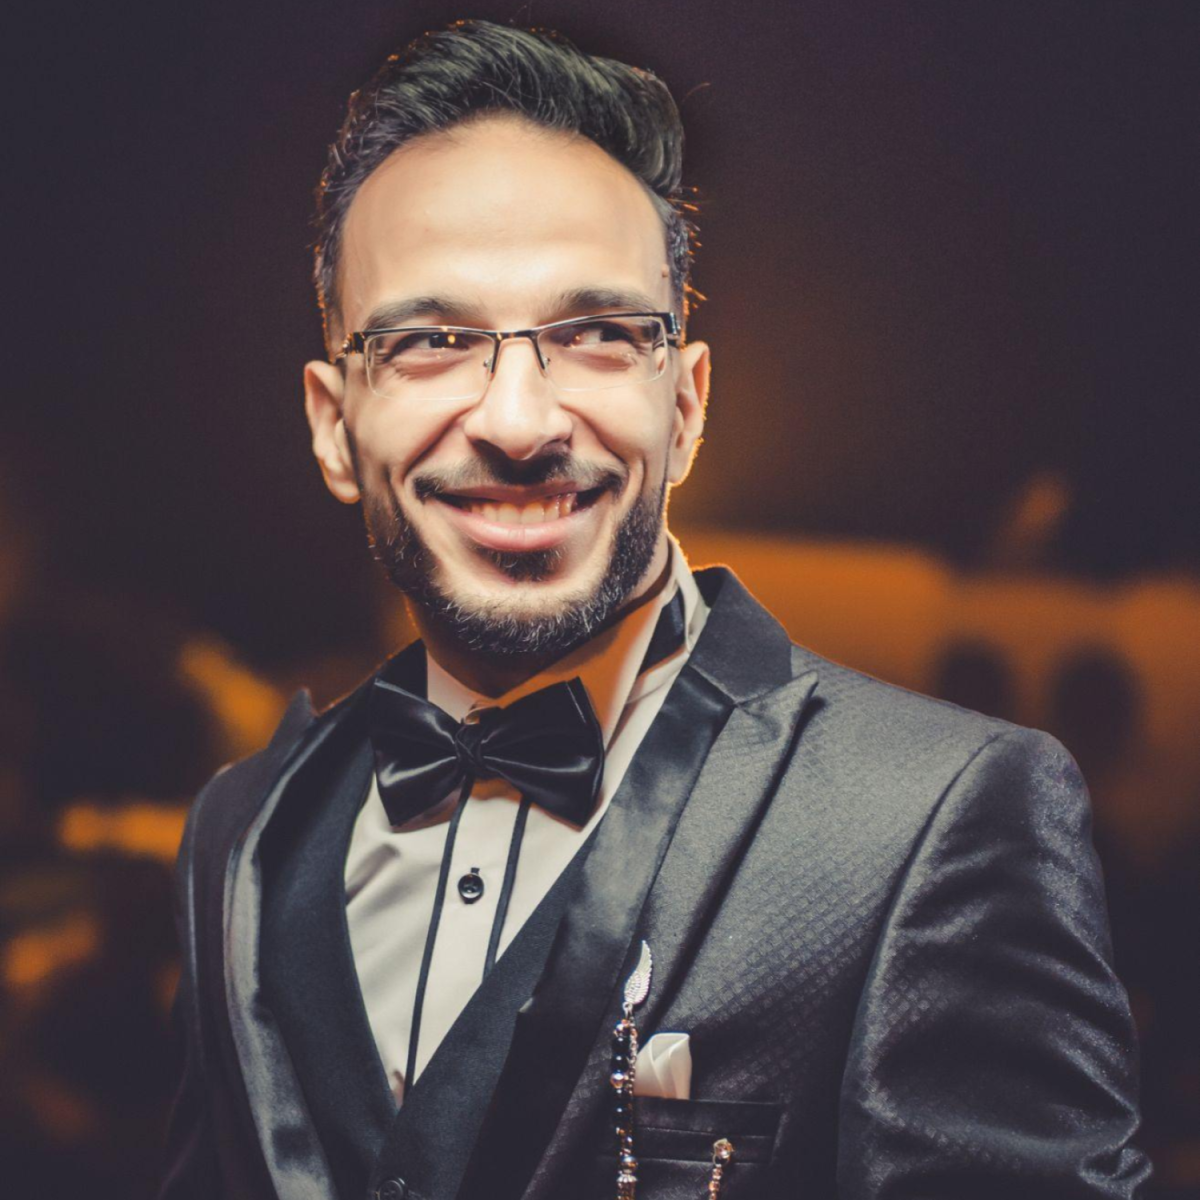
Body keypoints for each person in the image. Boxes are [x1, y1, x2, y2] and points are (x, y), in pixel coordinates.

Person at [158, 19, 1150, 1200]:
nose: (518, 422)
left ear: (684, 407)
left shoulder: (938, 818)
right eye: (430, 340)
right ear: (334, 425)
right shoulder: (243, 832)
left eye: (595, 335)